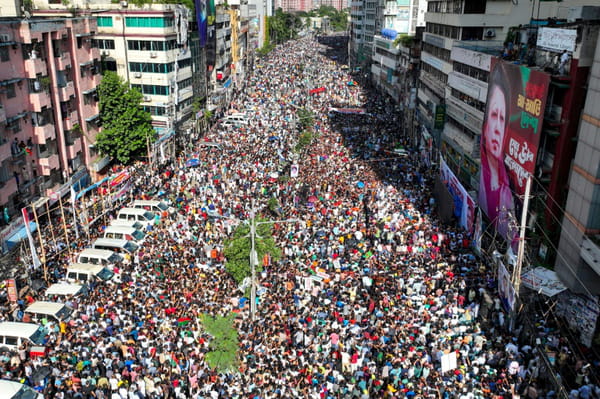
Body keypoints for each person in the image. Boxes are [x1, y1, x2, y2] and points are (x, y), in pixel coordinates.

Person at [479, 62, 515, 240]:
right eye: (494, 115)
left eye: (502, 118)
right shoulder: (482, 180)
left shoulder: (509, 197)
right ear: (485, 126)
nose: (497, 128)